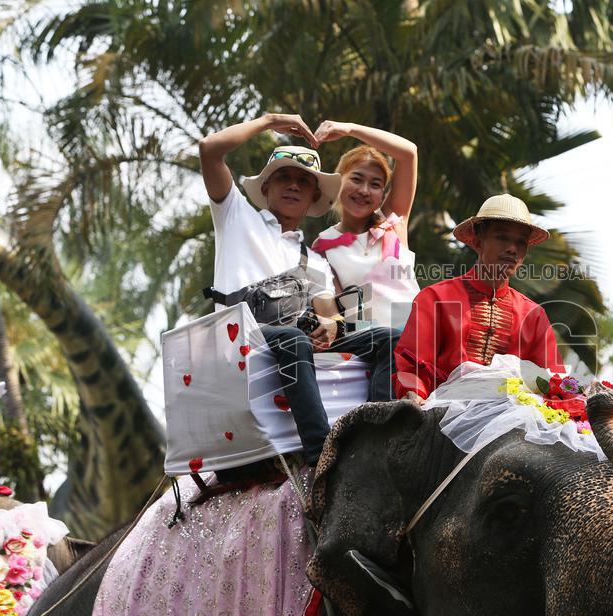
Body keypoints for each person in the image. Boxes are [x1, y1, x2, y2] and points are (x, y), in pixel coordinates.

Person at [199, 114, 395, 467]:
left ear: (313, 196)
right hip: (242, 337)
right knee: (294, 339)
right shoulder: (235, 216)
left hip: (292, 337)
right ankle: (321, 454)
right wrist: (270, 121)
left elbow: (327, 311)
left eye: (303, 182)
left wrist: (332, 323)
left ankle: (375, 435)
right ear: (267, 188)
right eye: (284, 178)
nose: (293, 186)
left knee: (389, 337)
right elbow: (209, 151)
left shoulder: (313, 259)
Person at [393, 194, 565, 405]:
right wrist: (415, 393)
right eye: (502, 237)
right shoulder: (435, 298)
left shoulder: (534, 315)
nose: (512, 249)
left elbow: (553, 381)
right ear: (478, 240)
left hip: (512, 421)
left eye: (521, 242)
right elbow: (413, 366)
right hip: (440, 414)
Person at [310, 121, 420, 330]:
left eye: (375, 184)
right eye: (356, 179)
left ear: (382, 195)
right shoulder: (323, 245)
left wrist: (350, 129)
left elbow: (409, 153)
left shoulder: (394, 221)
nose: (364, 190)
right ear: (338, 182)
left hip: (418, 343)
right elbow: (335, 313)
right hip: (367, 350)